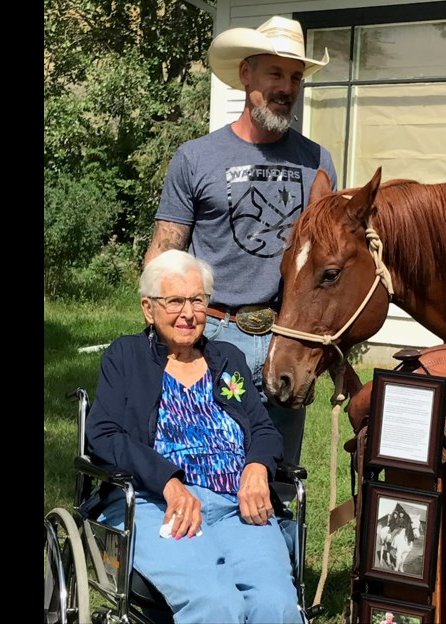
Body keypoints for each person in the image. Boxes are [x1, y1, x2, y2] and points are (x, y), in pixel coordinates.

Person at [144, 15, 338, 467]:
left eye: (295, 77)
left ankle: (277, 537)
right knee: (201, 463)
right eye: (275, 73)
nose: (287, 87)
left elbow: (328, 262)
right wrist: (155, 333)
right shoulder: (196, 157)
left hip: (284, 338)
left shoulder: (318, 161)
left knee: (278, 474)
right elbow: (165, 252)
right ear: (245, 74)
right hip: (209, 332)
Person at [86, 250, 302, 623]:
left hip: (238, 506)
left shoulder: (227, 358)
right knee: (216, 604)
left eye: (198, 300)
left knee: (277, 606)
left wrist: (256, 467)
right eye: (175, 301)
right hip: (157, 504)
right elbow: (103, 434)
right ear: (148, 308)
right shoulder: (126, 356)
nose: (188, 313)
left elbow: (263, 428)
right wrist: (167, 480)